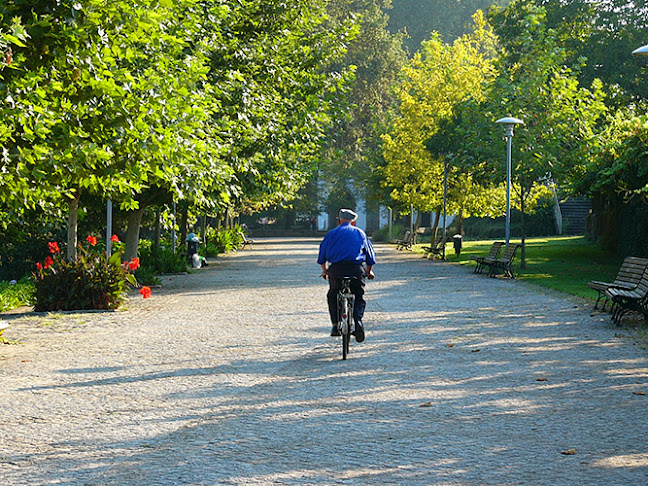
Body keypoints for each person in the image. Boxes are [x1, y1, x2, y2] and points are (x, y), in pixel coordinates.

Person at [317, 208, 376, 342]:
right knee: (359, 295)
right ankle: (358, 321)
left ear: (339, 220)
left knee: (332, 295)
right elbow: (370, 256)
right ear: (353, 222)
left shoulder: (332, 234)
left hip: (336, 270)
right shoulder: (360, 233)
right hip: (356, 269)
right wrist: (369, 271)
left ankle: (335, 324)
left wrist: (325, 270)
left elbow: (322, 256)